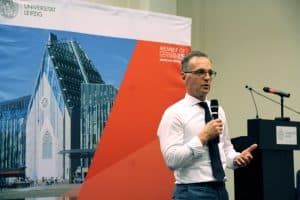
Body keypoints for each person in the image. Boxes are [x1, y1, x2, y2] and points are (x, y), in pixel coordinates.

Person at [157, 50, 257, 200]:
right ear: (184, 76)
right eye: (200, 72)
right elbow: (172, 161)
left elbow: (225, 149)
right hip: (191, 192)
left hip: (221, 190)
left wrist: (237, 159)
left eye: (210, 73)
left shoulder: (218, 110)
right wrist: (203, 136)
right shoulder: (174, 113)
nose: (207, 78)